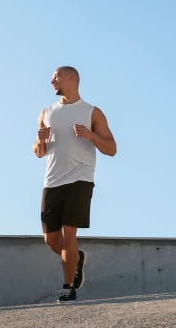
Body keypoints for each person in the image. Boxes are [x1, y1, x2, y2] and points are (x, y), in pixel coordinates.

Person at [33, 66, 117, 303]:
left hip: (80, 179)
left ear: (72, 78)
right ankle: (76, 259)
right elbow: (38, 152)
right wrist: (39, 142)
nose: (52, 81)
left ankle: (68, 288)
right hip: (52, 181)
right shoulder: (46, 112)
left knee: (69, 232)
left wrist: (91, 136)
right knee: (51, 240)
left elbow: (112, 148)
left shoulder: (92, 113)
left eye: (56, 77)